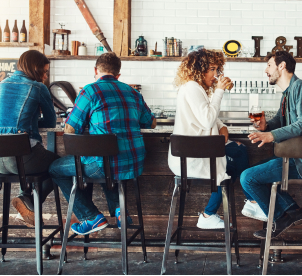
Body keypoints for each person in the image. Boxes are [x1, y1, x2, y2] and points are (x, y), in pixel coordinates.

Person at [49, 52, 156, 235]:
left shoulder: (90, 91)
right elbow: (151, 123)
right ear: (118, 75)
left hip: (104, 165)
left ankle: (90, 216)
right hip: (133, 163)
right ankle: (120, 210)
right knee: (107, 166)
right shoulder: (132, 92)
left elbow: (70, 129)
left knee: (56, 169)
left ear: (95, 70)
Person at [241, 51, 302, 239]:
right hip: (297, 157)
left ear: (281, 66)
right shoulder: (287, 93)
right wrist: (266, 126)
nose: (266, 70)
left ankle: (279, 218)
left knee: (247, 178)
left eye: (269, 65)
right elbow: (280, 120)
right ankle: (293, 211)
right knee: (255, 171)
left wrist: (271, 135)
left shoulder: (301, 87)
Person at [168, 48, 253, 229]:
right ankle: (216, 212)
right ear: (199, 69)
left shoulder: (197, 88)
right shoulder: (192, 87)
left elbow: (212, 119)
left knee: (237, 150)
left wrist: (222, 130)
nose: (215, 75)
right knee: (235, 158)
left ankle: (213, 212)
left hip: (196, 154)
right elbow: (207, 121)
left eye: (217, 69)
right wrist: (220, 91)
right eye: (212, 69)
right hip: (191, 160)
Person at [0, 50, 58, 227]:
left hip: (0, 162)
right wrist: (35, 119)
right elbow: (50, 121)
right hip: (23, 159)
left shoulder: (1, 84)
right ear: (36, 68)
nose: (46, 75)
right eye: (45, 71)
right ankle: (26, 198)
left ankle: (26, 199)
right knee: (61, 167)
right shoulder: (38, 87)